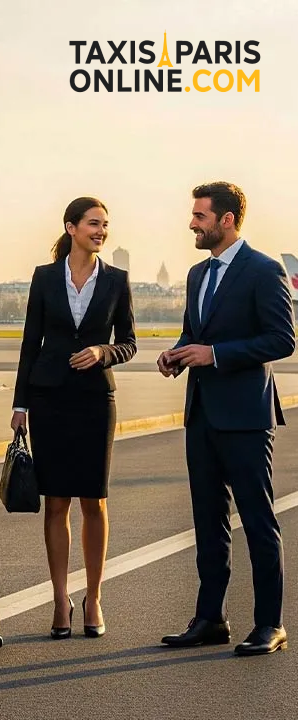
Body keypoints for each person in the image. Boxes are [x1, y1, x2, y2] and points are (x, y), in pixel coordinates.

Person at [159, 182, 296, 657]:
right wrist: (178, 353)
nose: (192, 223)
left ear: (227, 219)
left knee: (258, 521)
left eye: (200, 215)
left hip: (245, 416)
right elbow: (195, 331)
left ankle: (270, 625)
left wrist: (214, 354)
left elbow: (282, 339)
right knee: (207, 520)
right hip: (201, 414)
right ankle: (210, 617)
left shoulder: (264, 270)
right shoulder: (198, 274)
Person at [12, 197, 137, 640]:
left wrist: (104, 352)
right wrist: (20, 404)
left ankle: (94, 597)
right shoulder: (45, 278)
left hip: (94, 402)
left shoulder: (117, 280)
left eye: (105, 225)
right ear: (71, 227)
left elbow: (130, 342)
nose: (101, 231)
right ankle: (60, 599)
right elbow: (30, 342)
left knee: (94, 502)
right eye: (93, 224)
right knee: (57, 502)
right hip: (49, 400)